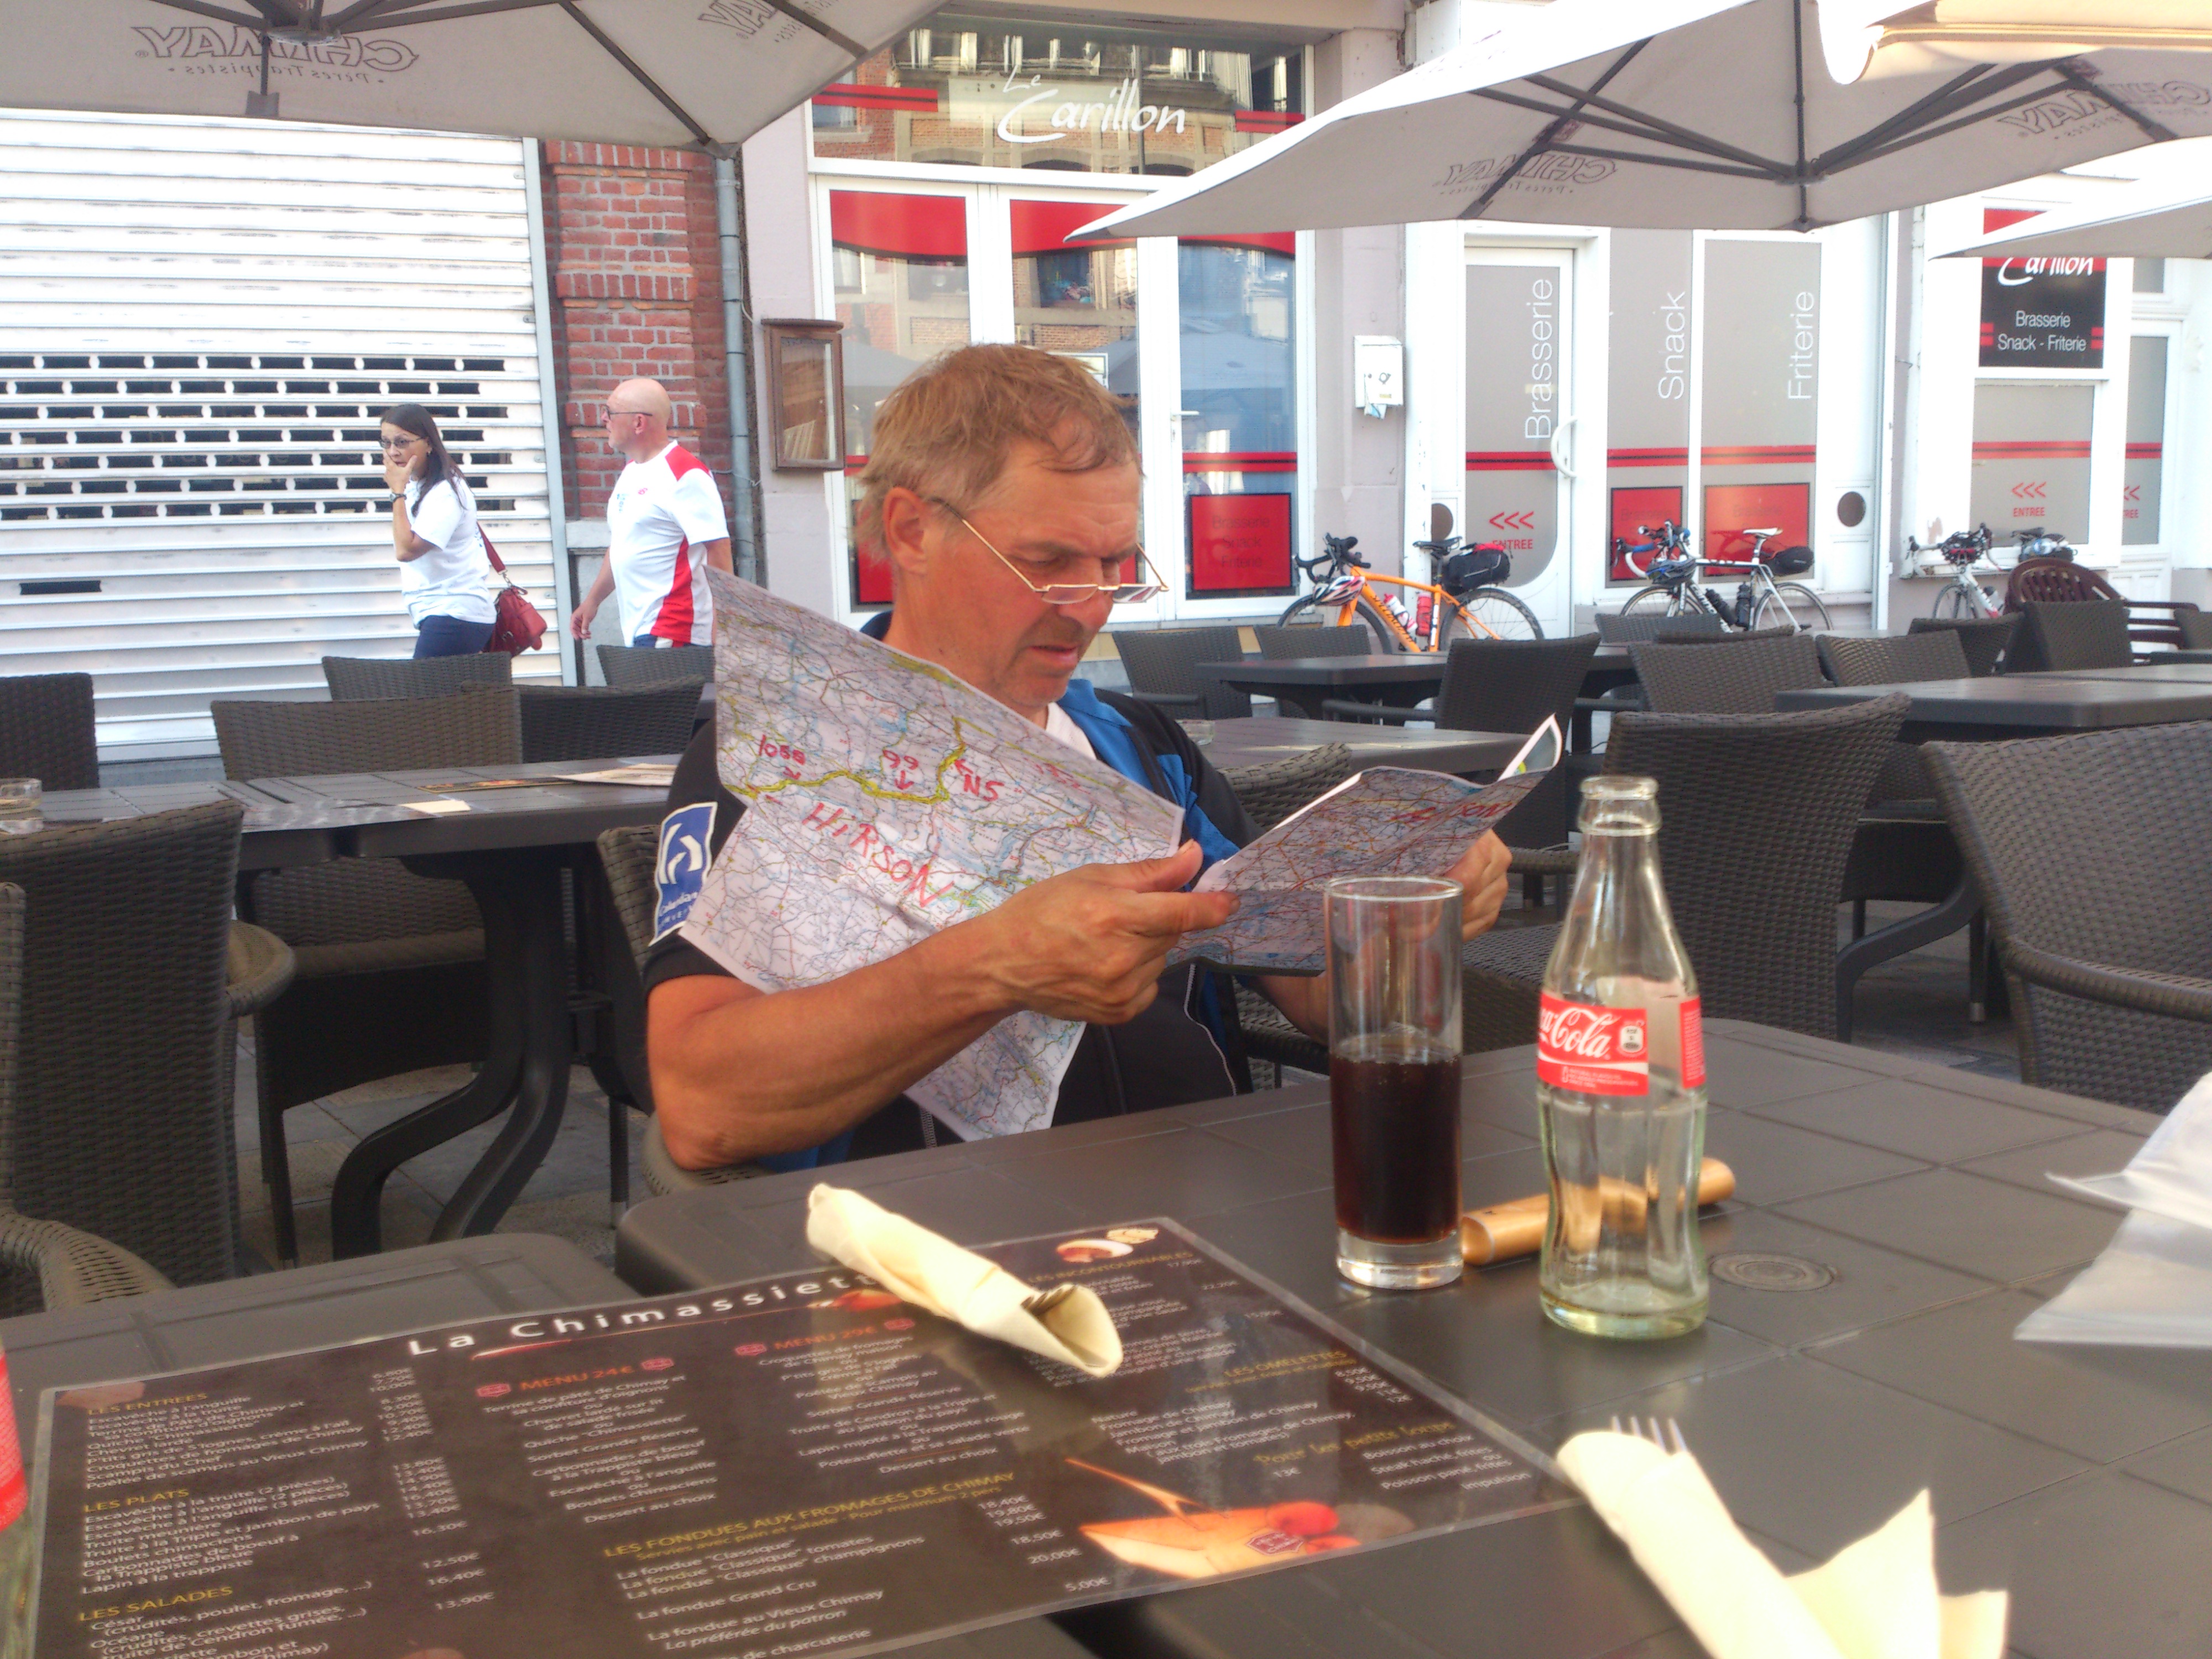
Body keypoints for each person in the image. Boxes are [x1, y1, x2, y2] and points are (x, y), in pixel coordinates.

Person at [645, 345, 1512, 1172]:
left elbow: (1320, 1004)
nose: (1091, 607)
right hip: (943, 1241)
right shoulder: (777, 754)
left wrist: (1405, 922)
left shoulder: (1141, 745)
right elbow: (700, 1105)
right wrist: (992, 966)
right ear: (911, 530)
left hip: (1219, 1201)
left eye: (1114, 564)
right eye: (1047, 562)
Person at [568, 378, 733, 648]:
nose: (603, 418)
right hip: (642, 628)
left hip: (674, 629)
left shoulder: (685, 474)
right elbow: (622, 544)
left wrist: (722, 629)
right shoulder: (631, 471)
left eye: (610, 412)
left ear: (639, 423)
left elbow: (718, 548)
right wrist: (593, 601)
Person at [379, 404, 497, 657]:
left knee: (422, 684)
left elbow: (406, 550)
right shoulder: (417, 485)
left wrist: (397, 492)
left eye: (402, 442)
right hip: (442, 613)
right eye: (386, 443)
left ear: (429, 443)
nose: (393, 452)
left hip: (455, 614)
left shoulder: (446, 492)